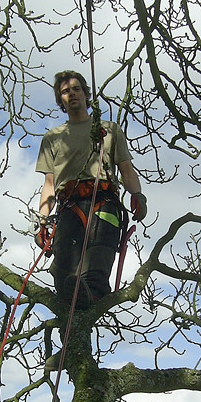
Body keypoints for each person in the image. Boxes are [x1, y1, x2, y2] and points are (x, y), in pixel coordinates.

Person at [35, 70, 147, 310]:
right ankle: (71, 300)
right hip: (69, 206)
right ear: (60, 100)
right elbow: (49, 184)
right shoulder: (53, 138)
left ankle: (93, 292)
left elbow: (126, 169)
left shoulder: (108, 131)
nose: (71, 94)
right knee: (64, 262)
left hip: (103, 201)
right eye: (65, 91)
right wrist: (42, 222)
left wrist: (137, 195)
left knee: (99, 249)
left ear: (86, 94)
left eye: (76, 89)